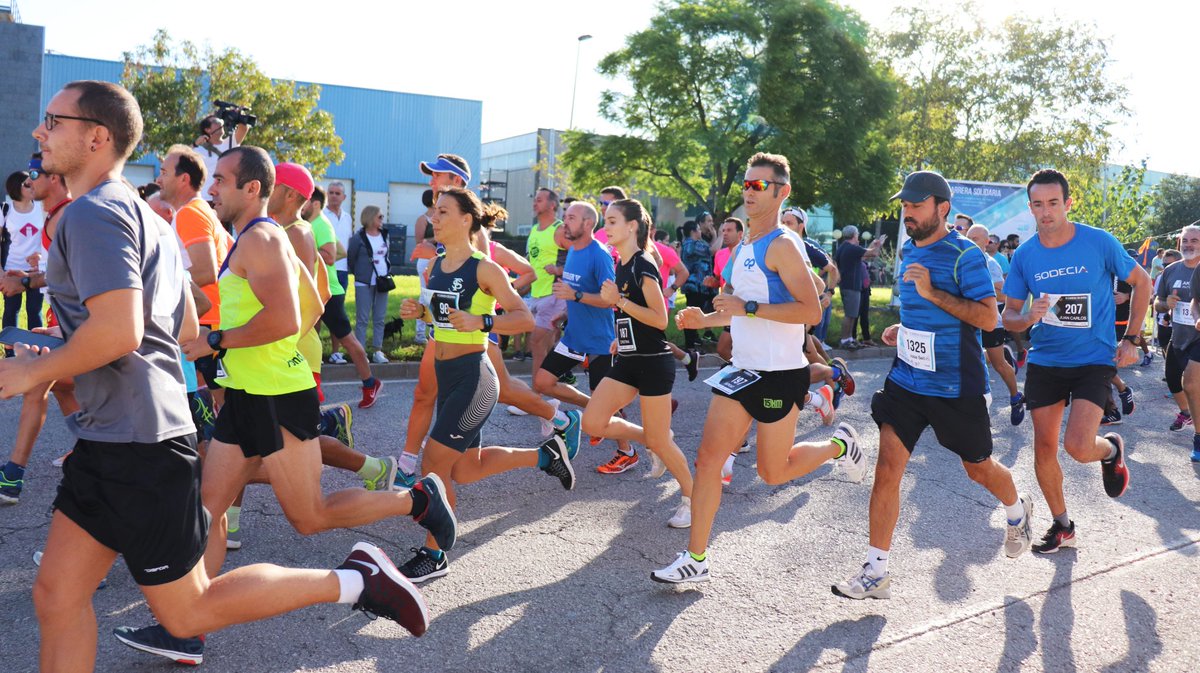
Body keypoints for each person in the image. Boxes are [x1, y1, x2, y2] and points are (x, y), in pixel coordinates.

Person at [4, 81, 429, 671]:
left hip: (137, 443)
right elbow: (176, 329)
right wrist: (73, 340)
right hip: (120, 434)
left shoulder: (92, 214)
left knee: (189, 613)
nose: (38, 131)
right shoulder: (152, 218)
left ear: (97, 136)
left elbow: (125, 331)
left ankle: (355, 580)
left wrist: (34, 371)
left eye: (52, 119)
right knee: (56, 596)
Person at [652, 153, 866, 585]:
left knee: (773, 471)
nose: (749, 192)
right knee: (708, 461)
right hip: (741, 372)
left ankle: (839, 447)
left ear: (781, 192)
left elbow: (808, 309)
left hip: (780, 374)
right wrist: (706, 319)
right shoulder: (744, 246)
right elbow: (738, 311)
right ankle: (697, 557)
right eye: (746, 185)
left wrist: (746, 306)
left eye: (758, 185)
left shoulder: (785, 244)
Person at [833, 172, 1033, 600]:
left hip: (955, 385)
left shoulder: (966, 256)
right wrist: (900, 330)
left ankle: (1017, 510)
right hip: (907, 377)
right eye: (904, 205)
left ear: (942, 208)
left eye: (916, 205)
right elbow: (919, 311)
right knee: (887, 471)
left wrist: (934, 291)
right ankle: (876, 571)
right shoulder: (907, 249)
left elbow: (986, 319)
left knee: (977, 468)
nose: (907, 212)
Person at [396, 187, 574, 581]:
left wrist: (483, 322)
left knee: (434, 465)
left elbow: (524, 318)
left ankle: (435, 554)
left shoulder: (484, 268)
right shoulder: (435, 267)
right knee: (466, 470)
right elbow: (439, 315)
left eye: (443, 212)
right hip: (447, 376)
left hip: (475, 378)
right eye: (433, 212)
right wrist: (419, 311)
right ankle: (546, 457)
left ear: (465, 220)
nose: (434, 218)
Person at [1001, 169, 1149, 554]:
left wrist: (1132, 338)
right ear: (1030, 207)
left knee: (1079, 447)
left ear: (1068, 203)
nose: (1046, 212)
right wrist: (1030, 317)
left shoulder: (1098, 242)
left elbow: (1143, 281)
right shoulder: (1026, 255)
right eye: (1038, 204)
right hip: (1047, 360)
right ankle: (1063, 525)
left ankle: (1110, 450)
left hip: (1093, 359)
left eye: (1053, 203)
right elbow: (1009, 315)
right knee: (1044, 450)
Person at [582, 198, 695, 527]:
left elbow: (660, 320)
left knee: (661, 439)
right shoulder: (621, 263)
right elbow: (633, 313)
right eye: (606, 220)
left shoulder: (644, 264)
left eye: (612, 221)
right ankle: (655, 441)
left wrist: (617, 301)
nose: (606, 227)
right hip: (628, 359)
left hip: (653, 363)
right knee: (593, 422)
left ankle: (691, 497)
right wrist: (622, 332)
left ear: (632, 226)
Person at [532, 201, 638, 472]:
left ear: (588, 224)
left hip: (600, 340)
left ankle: (628, 451)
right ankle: (593, 409)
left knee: (606, 400)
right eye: (565, 217)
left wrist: (575, 296)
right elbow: (576, 290)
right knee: (543, 382)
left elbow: (610, 300)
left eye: (571, 218)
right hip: (574, 336)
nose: (565, 222)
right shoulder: (573, 252)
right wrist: (565, 313)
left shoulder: (599, 254)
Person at [0, 155, 75, 505]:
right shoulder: (54, 217)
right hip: (63, 320)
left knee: (35, 381)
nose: (28, 181)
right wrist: (29, 276)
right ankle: (88, 449)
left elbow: (73, 276)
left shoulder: (66, 218)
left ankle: (12, 476)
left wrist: (28, 282)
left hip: (81, 328)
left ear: (55, 178)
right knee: (60, 389)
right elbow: (57, 271)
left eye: (35, 175)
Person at [965, 224, 1025, 425]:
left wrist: (983, 289)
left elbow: (1002, 295)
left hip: (991, 321)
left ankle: (1016, 397)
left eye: (975, 239)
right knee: (967, 362)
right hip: (968, 320)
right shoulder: (961, 261)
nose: (971, 242)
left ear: (986, 242)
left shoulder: (991, 264)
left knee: (999, 364)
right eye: (968, 238)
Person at [1157, 228, 1200, 453]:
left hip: (1198, 336)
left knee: (1191, 384)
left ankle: (1198, 439)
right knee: (1173, 380)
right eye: (1185, 240)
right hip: (1178, 335)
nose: (1189, 244)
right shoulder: (1171, 270)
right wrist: (1166, 304)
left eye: (1195, 240)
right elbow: (1157, 302)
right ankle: (1187, 413)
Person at [525, 187, 568, 377]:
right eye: (535, 199)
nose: (535, 202)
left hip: (553, 294)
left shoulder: (559, 230)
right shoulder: (534, 229)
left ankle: (537, 394)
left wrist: (559, 270)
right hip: (535, 293)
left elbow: (579, 257)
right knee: (545, 346)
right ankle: (551, 389)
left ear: (552, 205)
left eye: (540, 200)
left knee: (536, 342)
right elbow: (532, 261)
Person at [2, 169, 44, 348]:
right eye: (28, 184)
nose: (32, 185)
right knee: (12, 310)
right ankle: (11, 351)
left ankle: (37, 350)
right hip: (11, 269)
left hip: (37, 270)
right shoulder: (5, 209)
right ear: (17, 188)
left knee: (34, 311)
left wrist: (41, 256)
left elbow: (50, 237)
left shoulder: (42, 208)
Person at [348, 205, 392, 363]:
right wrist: (359, 274)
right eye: (379, 217)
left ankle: (377, 351)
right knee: (362, 319)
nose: (382, 220)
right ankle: (361, 353)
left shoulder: (384, 235)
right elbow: (351, 259)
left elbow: (387, 256)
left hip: (382, 281)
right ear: (370, 217)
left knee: (380, 317)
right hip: (363, 282)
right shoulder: (357, 237)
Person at [833, 224, 884, 349]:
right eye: (857, 234)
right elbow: (873, 254)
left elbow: (865, 255)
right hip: (851, 285)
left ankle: (850, 338)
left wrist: (873, 245)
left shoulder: (843, 248)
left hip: (847, 284)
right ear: (854, 235)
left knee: (852, 314)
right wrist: (879, 244)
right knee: (850, 314)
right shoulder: (852, 248)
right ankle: (845, 340)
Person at [193, 112, 249, 198]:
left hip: (227, 198)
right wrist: (194, 144)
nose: (220, 123)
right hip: (207, 198)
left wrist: (238, 114)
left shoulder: (230, 142)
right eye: (215, 121)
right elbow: (178, 157)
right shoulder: (199, 150)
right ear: (207, 129)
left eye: (220, 121)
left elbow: (243, 128)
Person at [680, 220, 716, 348]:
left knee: (696, 312)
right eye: (699, 229)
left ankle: (694, 340)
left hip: (698, 286)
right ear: (693, 231)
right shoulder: (692, 245)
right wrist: (719, 236)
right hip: (695, 285)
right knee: (692, 314)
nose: (701, 231)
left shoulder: (694, 244)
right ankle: (690, 345)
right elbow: (712, 250)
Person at [412, 188, 437, 344]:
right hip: (425, 260)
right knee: (425, 295)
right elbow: (419, 242)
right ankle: (420, 333)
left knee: (436, 295)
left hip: (437, 257)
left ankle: (433, 329)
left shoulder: (441, 217)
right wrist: (437, 238)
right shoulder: (423, 219)